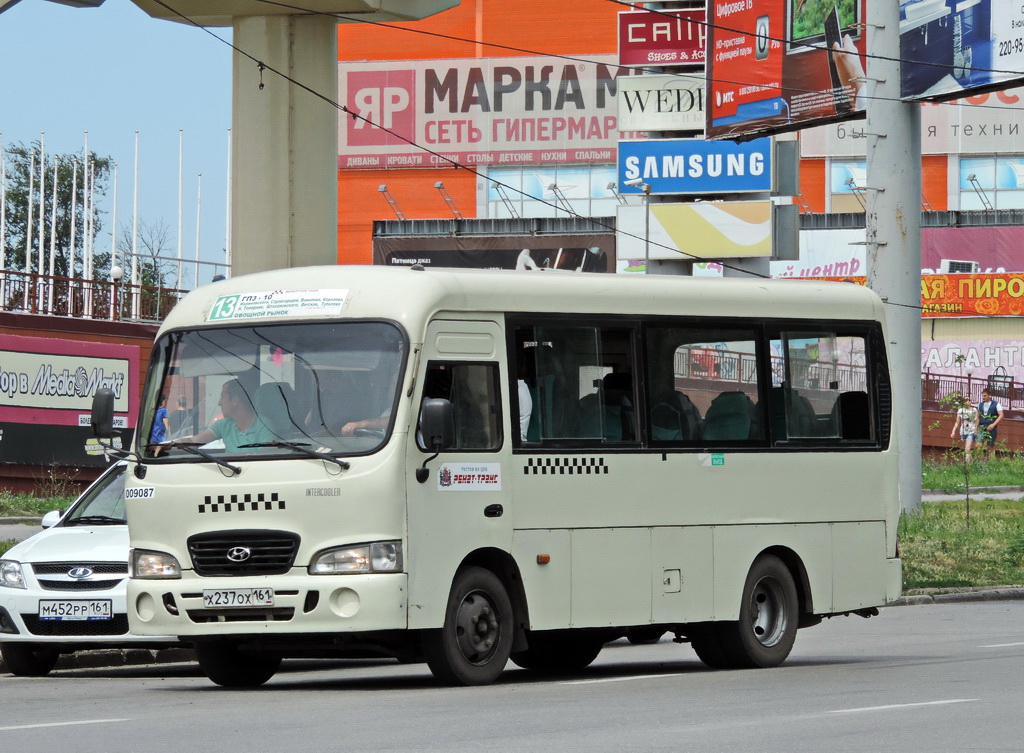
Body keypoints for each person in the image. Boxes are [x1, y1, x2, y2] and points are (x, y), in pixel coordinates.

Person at [177, 379, 274, 451]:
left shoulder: (264, 426)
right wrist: (168, 447)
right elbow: (193, 442)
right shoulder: (223, 424)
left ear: (235, 400)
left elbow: (264, 461)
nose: (219, 403)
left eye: (222, 397)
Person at [977, 389, 1005, 461]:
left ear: (990, 395)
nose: (983, 397)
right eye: (983, 396)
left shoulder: (996, 404)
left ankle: (988, 461)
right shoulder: (980, 405)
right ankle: (979, 460)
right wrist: (975, 428)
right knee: (979, 444)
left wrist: (993, 424)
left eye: (985, 396)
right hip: (982, 426)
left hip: (992, 427)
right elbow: (978, 417)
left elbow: (1001, 415)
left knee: (990, 445)